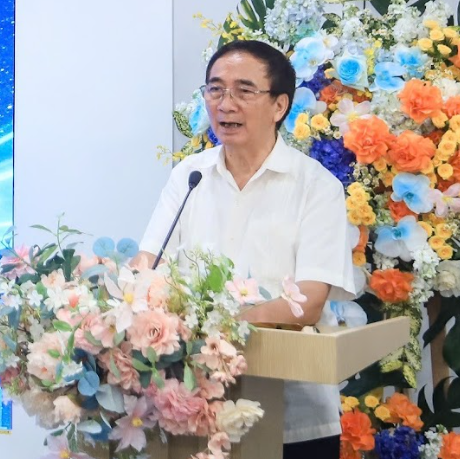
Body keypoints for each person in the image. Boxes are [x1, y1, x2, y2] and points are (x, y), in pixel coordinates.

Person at [136, 39, 356, 459]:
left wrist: (215, 329)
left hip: (292, 419)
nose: (225, 104)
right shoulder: (189, 176)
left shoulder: (316, 187)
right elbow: (148, 266)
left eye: (243, 90)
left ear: (279, 105)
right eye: (215, 89)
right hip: (193, 411)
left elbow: (308, 302)